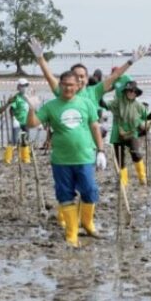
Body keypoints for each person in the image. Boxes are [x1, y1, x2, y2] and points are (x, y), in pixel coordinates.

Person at [26, 70, 105, 247]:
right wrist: (31, 107)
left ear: (78, 86)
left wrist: (101, 150)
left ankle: (88, 223)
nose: (68, 88)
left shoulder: (86, 103)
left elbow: (94, 126)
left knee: (90, 191)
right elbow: (32, 124)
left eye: (72, 85)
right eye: (65, 85)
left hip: (84, 157)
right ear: (59, 85)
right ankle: (71, 234)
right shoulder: (51, 106)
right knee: (65, 195)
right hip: (61, 160)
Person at [108, 81, 151, 186]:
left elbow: (148, 117)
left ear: (136, 93)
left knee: (135, 153)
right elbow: (105, 105)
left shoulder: (139, 105)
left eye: (134, 91)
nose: (131, 93)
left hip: (132, 133)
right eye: (129, 91)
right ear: (125, 92)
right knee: (120, 159)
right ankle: (123, 182)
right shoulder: (117, 102)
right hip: (118, 134)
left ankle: (142, 178)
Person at [7, 79, 32, 163]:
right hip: (17, 122)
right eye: (23, 86)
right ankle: (9, 158)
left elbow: (33, 108)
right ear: (19, 87)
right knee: (14, 140)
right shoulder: (16, 97)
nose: (24, 88)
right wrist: (14, 118)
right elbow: (11, 110)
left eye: (26, 86)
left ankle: (25, 157)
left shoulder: (28, 97)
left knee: (25, 139)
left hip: (26, 122)